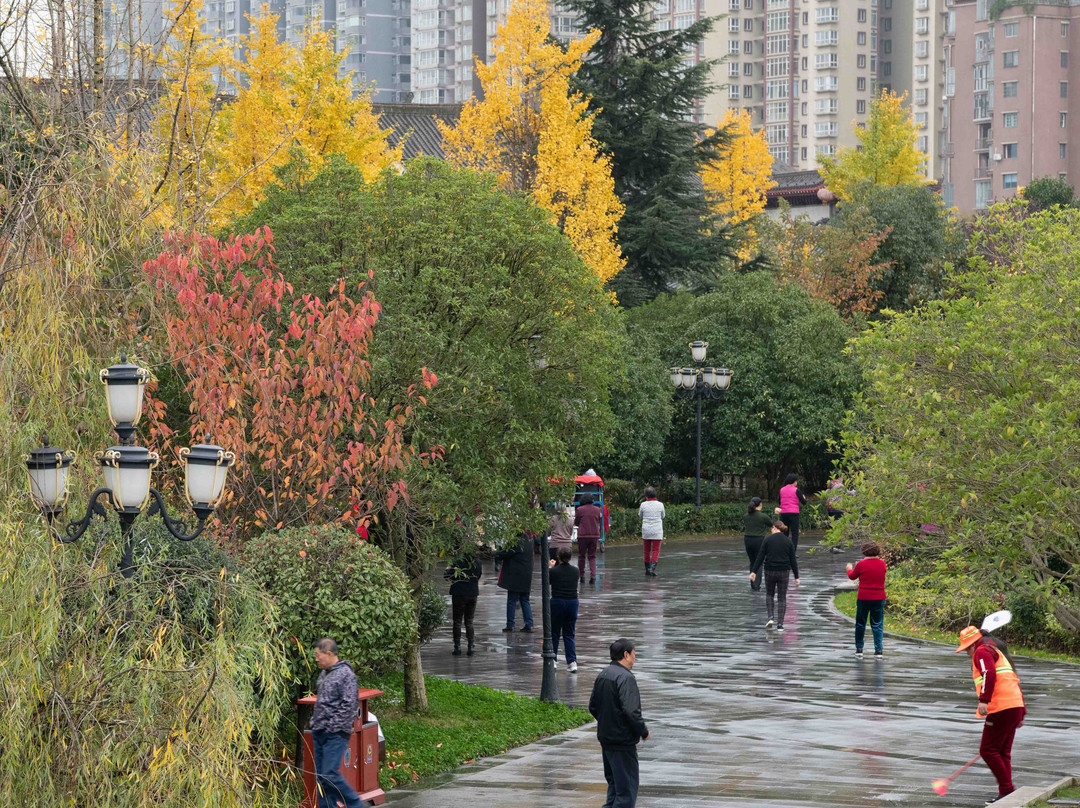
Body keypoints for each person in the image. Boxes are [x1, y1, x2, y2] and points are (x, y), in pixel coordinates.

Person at [955, 625, 1026, 804]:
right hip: (1014, 705)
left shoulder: (982, 652)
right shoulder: (996, 651)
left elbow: (989, 673)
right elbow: (1012, 679)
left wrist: (984, 700)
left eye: (966, 650)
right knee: (1002, 752)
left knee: (987, 750)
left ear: (972, 645)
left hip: (1002, 707)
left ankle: (1008, 790)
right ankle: (1006, 792)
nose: (968, 654)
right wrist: (1022, 710)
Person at [589, 638, 650, 808]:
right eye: (634, 654)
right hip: (622, 742)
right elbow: (631, 710)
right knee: (626, 793)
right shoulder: (626, 678)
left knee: (614, 789)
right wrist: (643, 731)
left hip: (606, 739)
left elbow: (593, 706)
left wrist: (607, 722)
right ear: (626, 654)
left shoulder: (603, 674)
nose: (635, 659)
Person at [309, 638, 364, 808]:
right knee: (321, 779)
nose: (316, 659)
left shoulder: (346, 675)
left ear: (329, 653)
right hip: (319, 732)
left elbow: (349, 705)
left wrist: (332, 727)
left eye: (318, 655)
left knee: (329, 775)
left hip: (335, 734)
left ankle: (356, 804)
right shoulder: (325, 672)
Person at [749, 521, 800, 631]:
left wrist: (754, 571)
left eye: (771, 528)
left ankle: (771, 617)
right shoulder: (788, 541)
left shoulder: (767, 540)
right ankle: (780, 624)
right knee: (782, 598)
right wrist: (796, 576)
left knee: (770, 595)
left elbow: (760, 557)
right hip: (784, 571)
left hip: (770, 571)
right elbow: (793, 560)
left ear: (774, 528)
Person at [846, 541, 887, 659]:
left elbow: (852, 576)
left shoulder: (861, 564)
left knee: (860, 623)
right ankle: (878, 650)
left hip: (864, 596)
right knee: (877, 624)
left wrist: (849, 569)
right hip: (879, 597)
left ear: (864, 551)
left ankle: (859, 648)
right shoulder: (882, 564)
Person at [444, 552, 483, 656]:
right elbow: (478, 575)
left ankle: (457, 646)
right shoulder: (477, 562)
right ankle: (471, 646)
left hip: (459, 593)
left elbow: (448, 576)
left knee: (457, 621)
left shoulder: (456, 562)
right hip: (472, 593)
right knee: (469, 621)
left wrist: (447, 569)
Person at [548, 547, 580, 672]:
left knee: (555, 633)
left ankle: (553, 660)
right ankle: (572, 662)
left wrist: (550, 567)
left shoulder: (554, 572)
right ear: (570, 557)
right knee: (569, 634)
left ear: (558, 557)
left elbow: (547, 582)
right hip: (572, 603)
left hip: (557, 602)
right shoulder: (576, 571)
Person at [496, 533, 534, 632]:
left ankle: (510, 624)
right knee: (525, 600)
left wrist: (494, 552)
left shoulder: (517, 541)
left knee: (511, 600)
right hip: (526, 574)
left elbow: (506, 553)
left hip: (515, 575)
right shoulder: (529, 540)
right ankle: (529, 624)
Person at [743, 497, 773, 591]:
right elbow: (772, 524)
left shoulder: (746, 516)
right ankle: (756, 585)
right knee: (759, 562)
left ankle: (752, 583)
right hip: (759, 540)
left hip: (747, 540)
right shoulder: (763, 516)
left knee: (752, 562)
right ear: (760, 504)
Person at [774, 473, 808, 549]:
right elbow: (804, 502)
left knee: (784, 531)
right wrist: (804, 497)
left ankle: (784, 549)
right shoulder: (796, 490)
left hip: (784, 513)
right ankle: (792, 551)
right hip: (794, 513)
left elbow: (779, 501)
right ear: (794, 482)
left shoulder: (782, 489)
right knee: (794, 533)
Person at [575, 494, 603, 584]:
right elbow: (598, 520)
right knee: (592, 556)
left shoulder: (579, 510)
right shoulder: (598, 510)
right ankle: (593, 576)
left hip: (583, 535)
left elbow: (576, 522)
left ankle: (582, 576)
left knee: (581, 555)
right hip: (594, 535)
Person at [638, 486, 666, 576]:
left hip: (646, 530)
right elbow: (663, 516)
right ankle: (652, 569)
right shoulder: (660, 505)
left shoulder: (643, 505)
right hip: (657, 530)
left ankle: (647, 569)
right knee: (655, 550)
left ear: (646, 495)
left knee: (646, 550)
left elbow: (640, 515)